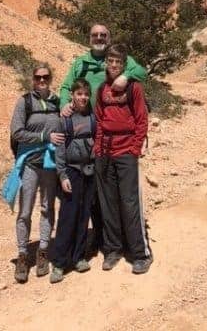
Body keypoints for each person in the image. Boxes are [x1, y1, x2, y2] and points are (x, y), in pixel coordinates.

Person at [60, 23, 147, 254]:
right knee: (98, 192)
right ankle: (102, 239)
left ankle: (133, 245)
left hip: (120, 139)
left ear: (109, 38)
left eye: (103, 35)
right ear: (89, 38)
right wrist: (64, 106)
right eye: (95, 35)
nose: (99, 38)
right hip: (90, 133)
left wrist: (126, 75)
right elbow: (66, 86)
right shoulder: (80, 63)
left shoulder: (119, 60)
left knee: (124, 196)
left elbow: (142, 72)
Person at [94, 43, 152, 275]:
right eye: (111, 60)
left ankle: (140, 253)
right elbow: (99, 119)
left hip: (126, 150)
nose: (114, 65)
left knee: (129, 202)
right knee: (108, 202)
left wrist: (135, 148)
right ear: (106, 62)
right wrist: (98, 149)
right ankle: (113, 250)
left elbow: (141, 119)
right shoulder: (102, 89)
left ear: (124, 64)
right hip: (105, 152)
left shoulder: (134, 87)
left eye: (118, 61)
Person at [9, 64, 64, 283]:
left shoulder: (57, 101)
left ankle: (43, 251)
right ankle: (23, 254)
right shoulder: (24, 102)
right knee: (25, 210)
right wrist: (44, 137)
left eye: (46, 77)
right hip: (31, 163)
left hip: (50, 164)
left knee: (47, 207)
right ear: (32, 79)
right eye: (38, 77)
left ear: (51, 79)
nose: (42, 80)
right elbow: (17, 132)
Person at [50, 79, 96, 283]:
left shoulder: (93, 118)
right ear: (72, 96)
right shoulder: (64, 120)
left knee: (84, 215)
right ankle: (59, 263)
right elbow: (59, 150)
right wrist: (62, 175)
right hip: (71, 171)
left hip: (89, 171)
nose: (83, 98)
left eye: (86, 94)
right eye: (79, 94)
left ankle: (78, 257)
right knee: (68, 216)